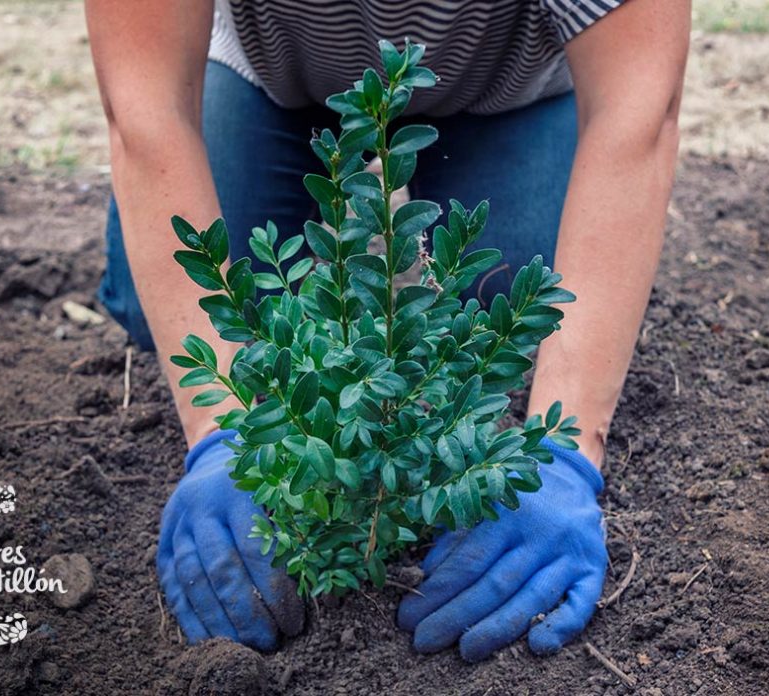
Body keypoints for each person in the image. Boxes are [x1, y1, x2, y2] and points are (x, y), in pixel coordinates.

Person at [85, 0, 689, 662]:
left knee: (512, 302)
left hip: (508, 90)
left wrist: (563, 451)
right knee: (169, 304)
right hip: (272, 80)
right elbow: (146, 109)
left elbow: (638, 113)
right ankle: (337, 247)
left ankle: (408, 246)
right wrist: (222, 431)